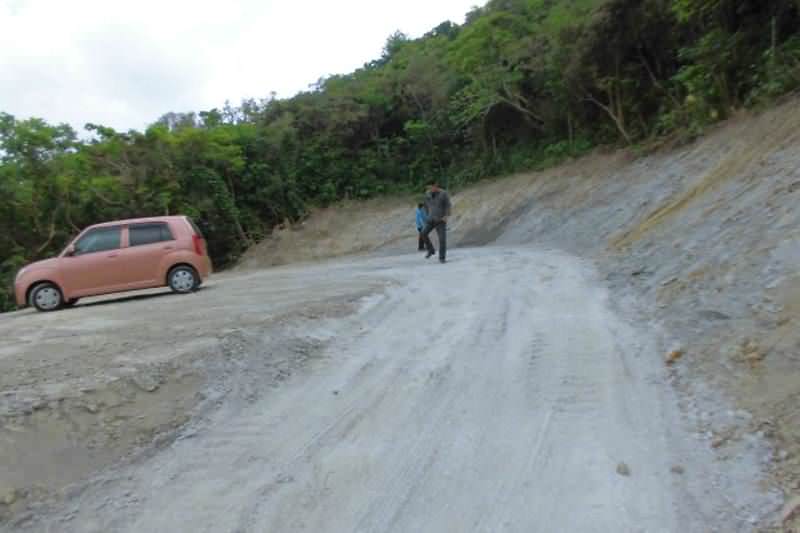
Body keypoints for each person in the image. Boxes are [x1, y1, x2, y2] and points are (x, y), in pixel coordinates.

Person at [420, 182, 452, 263]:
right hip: (430, 219)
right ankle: (431, 250)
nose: (429, 190)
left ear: (435, 186)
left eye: (431, 188)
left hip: (440, 220)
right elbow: (425, 205)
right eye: (428, 188)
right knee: (423, 233)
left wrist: (446, 216)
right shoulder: (427, 194)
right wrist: (427, 215)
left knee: (442, 239)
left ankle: (442, 258)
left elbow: (448, 205)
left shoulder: (443, 193)